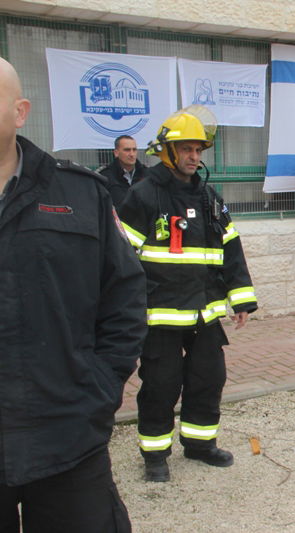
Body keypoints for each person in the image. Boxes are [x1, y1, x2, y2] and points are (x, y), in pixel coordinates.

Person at [0, 57, 146, 532]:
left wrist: (99, 387)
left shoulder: (80, 193)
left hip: (66, 432)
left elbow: (124, 295)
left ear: (20, 112)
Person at [118, 105, 258, 482]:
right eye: (186, 149)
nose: (194, 157)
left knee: (208, 379)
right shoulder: (143, 196)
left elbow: (231, 249)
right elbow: (121, 258)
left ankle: (199, 444)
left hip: (204, 313)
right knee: (161, 385)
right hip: (160, 314)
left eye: (198, 150)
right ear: (167, 152)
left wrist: (241, 299)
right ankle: (155, 454)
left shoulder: (209, 197)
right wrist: (124, 309)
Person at [97, 135, 147, 208]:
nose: (132, 154)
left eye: (134, 150)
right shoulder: (104, 177)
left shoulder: (147, 174)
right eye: (127, 150)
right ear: (116, 153)